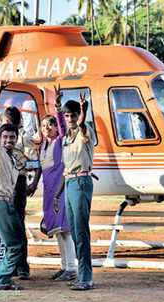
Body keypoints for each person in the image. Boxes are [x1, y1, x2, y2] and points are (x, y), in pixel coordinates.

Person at [0, 80, 41, 280]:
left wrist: (33, 182)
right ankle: (3, 271)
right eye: (5, 120)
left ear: (18, 123)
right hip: (1, 191)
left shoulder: (21, 141)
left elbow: (36, 164)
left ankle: (18, 267)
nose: (9, 139)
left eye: (11, 120)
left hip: (17, 185)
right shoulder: (0, 146)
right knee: (8, 232)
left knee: (16, 228)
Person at [54, 90, 96, 291]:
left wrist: (84, 110)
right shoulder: (66, 138)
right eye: (67, 115)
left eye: (73, 114)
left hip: (81, 182)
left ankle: (86, 277)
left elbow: (81, 125)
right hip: (70, 183)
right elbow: (65, 169)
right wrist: (58, 194)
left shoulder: (84, 130)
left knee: (81, 231)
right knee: (74, 231)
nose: (70, 119)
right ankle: (82, 274)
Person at [39, 86, 76, 281]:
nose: (47, 129)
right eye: (44, 126)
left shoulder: (61, 141)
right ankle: (64, 266)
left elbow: (63, 128)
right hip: (49, 193)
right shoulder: (42, 146)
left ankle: (71, 268)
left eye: (50, 125)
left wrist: (58, 108)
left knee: (65, 230)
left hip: (60, 192)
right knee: (58, 231)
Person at [0, 114, 25, 290]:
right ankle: (3, 278)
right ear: (1, 139)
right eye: (6, 137)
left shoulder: (11, 157)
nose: (9, 140)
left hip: (6, 204)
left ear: (16, 139)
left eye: (12, 137)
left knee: (18, 241)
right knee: (15, 244)